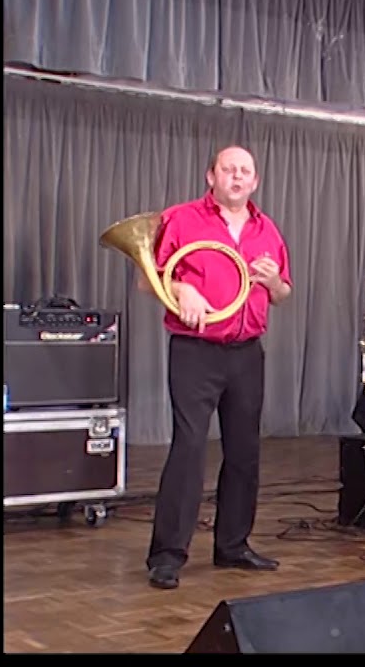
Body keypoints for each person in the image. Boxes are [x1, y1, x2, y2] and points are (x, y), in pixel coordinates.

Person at [142, 146, 293, 589]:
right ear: (211, 176)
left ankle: (233, 546)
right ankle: (167, 555)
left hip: (247, 351)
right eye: (228, 169)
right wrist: (180, 286)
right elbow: (145, 276)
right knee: (188, 448)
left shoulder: (268, 229)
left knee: (245, 452)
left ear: (255, 181)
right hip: (196, 350)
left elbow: (284, 293)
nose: (237, 176)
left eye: (245, 171)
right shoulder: (181, 218)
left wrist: (271, 282)